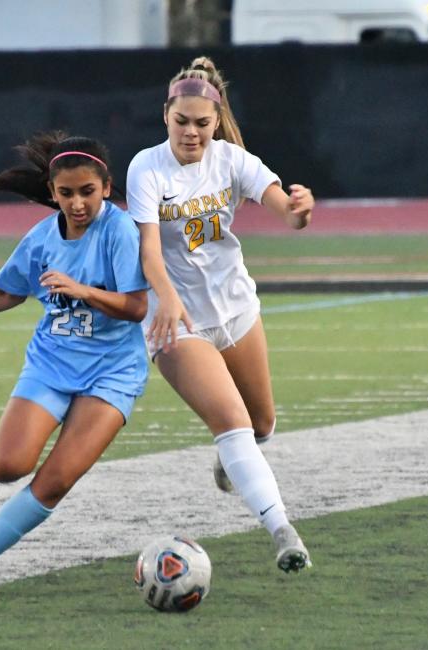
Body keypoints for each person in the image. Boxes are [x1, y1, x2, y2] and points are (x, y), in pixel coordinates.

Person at [0, 133, 149, 597]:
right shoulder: (41, 238)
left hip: (112, 373)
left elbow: (136, 307)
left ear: (106, 187)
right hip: (51, 366)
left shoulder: (119, 231)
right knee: (10, 463)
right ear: (52, 192)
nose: (77, 203)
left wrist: (85, 291)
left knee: (55, 481)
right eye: (66, 194)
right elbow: (7, 291)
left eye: (87, 192)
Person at [126, 56, 316, 573]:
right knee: (232, 424)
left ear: (216, 119)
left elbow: (284, 210)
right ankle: (283, 532)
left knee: (262, 423)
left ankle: (238, 460)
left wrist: (299, 209)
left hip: (237, 309)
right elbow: (148, 252)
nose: (191, 132)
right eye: (181, 121)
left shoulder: (231, 160)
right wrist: (165, 298)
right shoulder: (146, 167)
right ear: (165, 115)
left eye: (202, 123)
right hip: (178, 324)